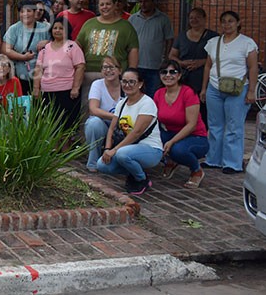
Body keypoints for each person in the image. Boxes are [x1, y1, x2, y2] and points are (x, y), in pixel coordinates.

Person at [200, 11, 259, 174]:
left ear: (238, 23)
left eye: (231, 21)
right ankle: (213, 159)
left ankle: (232, 163)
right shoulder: (213, 42)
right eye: (224, 21)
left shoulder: (247, 43)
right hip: (214, 87)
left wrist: (252, 90)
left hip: (238, 88)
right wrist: (204, 88)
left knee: (234, 126)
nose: (227, 24)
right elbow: (208, 66)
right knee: (215, 125)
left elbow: (253, 68)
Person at [97, 68, 162, 195]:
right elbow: (112, 128)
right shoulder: (122, 103)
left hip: (151, 148)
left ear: (140, 84)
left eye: (132, 82)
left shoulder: (147, 103)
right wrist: (107, 149)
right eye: (124, 81)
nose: (127, 85)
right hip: (128, 148)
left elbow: (137, 132)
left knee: (122, 154)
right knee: (102, 165)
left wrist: (115, 150)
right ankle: (134, 172)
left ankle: (142, 179)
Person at [154, 59, 209, 189]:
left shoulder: (188, 93)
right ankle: (171, 161)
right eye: (164, 72)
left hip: (195, 136)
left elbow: (192, 125)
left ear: (179, 75)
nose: (168, 75)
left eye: (172, 72)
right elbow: (153, 119)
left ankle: (196, 170)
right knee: (151, 142)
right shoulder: (159, 93)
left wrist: (172, 142)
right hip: (170, 133)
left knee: (178, 150)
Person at [75, 0, 139, 100]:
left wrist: (131, 72)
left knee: (113, 104)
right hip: (89, 73)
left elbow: (133, 50)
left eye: (108, 4)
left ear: (114, 5)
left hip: (114, 74)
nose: (105, 7)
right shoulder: (89, 24)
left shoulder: (126, 26)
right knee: (88, 105)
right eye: (102, 4)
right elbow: (77, 45)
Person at [32, 17, 85, 130]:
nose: (57, 30)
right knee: (49, 125)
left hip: (67, 93)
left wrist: (75, 88)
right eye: (55, 28)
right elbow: (38, 69)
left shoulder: (72, 46)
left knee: (66, 125)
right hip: (47, 93)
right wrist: (36, 88)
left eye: (61, 28)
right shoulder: (45, 49)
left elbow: (80, 67)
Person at [169, 7, 217, 122]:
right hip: (185, 78)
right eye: (191, 18)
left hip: (204, 79)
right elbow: (172, 55)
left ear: (204, 19)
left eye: (197, 17)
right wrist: (182, 63)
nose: (194, 20)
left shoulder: (213, 37)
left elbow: (218, 57)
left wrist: (202, 62)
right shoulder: (182, 36)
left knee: (203, 110)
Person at [129, 0, 174, 98]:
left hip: (155, 66)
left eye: (146, 1)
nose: (143, 4)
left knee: (153, 96)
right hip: (136, 65)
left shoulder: (163, 19)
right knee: (134, 95)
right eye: (140, 1)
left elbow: (169, 39)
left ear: (153, 1)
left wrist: (166, 58)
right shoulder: (132, 19)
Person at [2, 0, 51, 94]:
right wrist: (23, 57)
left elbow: (59, 43)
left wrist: (48, 42)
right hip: (19, 76)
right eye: (22, 11)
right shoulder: (14, 29)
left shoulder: (45, 28)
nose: (25, 14)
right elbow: (5, 49)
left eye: (29, 11)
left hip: (42, 76)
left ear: (35, 12)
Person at [83, 56, 123, 172]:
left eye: (112, 67)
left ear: (120, 70)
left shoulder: (126, 85)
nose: (108, 70)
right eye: (105, 67)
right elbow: (93, 109)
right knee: (93, 123)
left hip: (122, 125)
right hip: (104, 124)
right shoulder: (97, 84)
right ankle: (93, 162)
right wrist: (115, 117)